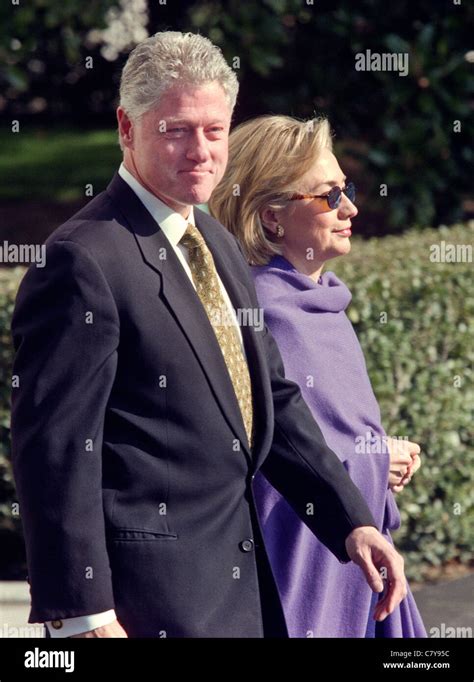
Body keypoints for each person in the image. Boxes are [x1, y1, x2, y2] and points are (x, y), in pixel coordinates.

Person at [11, 33, 406, 639]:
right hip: (143, 609)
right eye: (176, 130)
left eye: (215, 130)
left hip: (243, 595)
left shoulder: (219, 245)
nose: (200, 152)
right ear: (126, 127)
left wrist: (353, 522)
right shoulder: (82, 261)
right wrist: (83, 614)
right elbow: (56, 452)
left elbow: (271, 399)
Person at [209, 114, 426, 637]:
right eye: (329, 196)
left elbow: (335, 440)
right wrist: (377, 461)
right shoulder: (267, 316)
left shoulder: (324, 304)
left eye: (345, 189)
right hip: (307, 583)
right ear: (271, 218)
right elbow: (276, 470)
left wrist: (381, 461)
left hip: (362, 569)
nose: (350, 207)